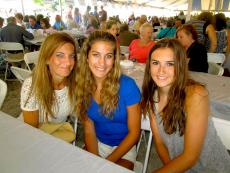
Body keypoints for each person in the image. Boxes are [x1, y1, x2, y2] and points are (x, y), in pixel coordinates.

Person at [141, 38, 230, 173]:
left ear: (180, 66)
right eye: (155, 63)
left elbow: (190, 157)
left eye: (170, 64)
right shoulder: (152, 97)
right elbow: (159, 143)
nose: (161, 71)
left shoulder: (195, 95)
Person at [75, 31, 141, 170]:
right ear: (86, 56)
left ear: (114, 59)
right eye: (96, 54)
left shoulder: (128, 86)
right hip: (98, 144)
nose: (102, 63)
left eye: (108, 56)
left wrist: (105, 163)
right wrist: (96, 159)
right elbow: (89, 131)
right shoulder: (82, 86)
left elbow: (134, 133)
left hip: (124, 148)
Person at [20, 32, 78, 143]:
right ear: (47, 59)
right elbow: (31, 132)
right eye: (60, 55)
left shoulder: (74, 81)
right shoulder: (32, 86)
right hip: (35, 136)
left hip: (58, 132)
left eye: (72, 56)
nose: (68, 62)